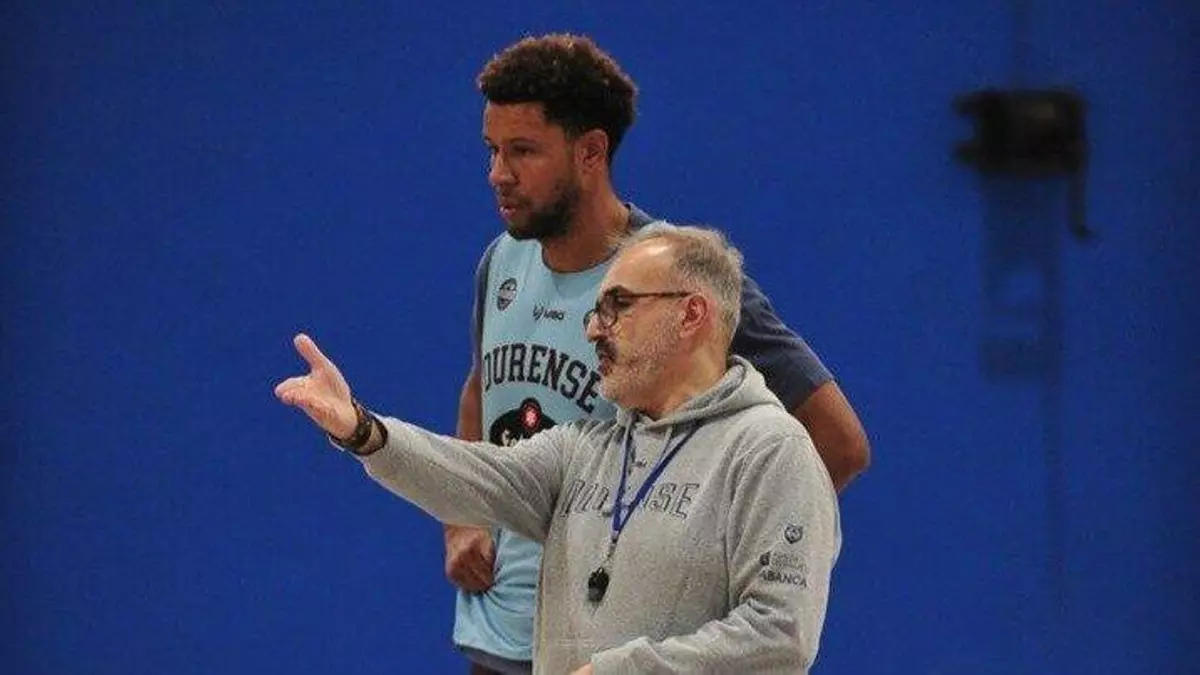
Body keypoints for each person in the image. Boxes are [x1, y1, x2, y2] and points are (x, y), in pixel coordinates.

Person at [441, 33, 868, 674]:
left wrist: (686, 560)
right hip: (502, 640)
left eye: (523, 151)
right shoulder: (500, 260)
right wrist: (463, 521)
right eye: (492, 150)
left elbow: (838, 441)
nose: (498, 174)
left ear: (591, 152)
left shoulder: (680, 279)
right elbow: (482, 390)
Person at [275, 224, 841, 674]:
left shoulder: (771, 451)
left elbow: (780, 635)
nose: (594, 330)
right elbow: (471, 474)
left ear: (691, 314)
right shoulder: (587, 448)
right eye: (596, 311)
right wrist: (362, 430)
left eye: (618, 305)